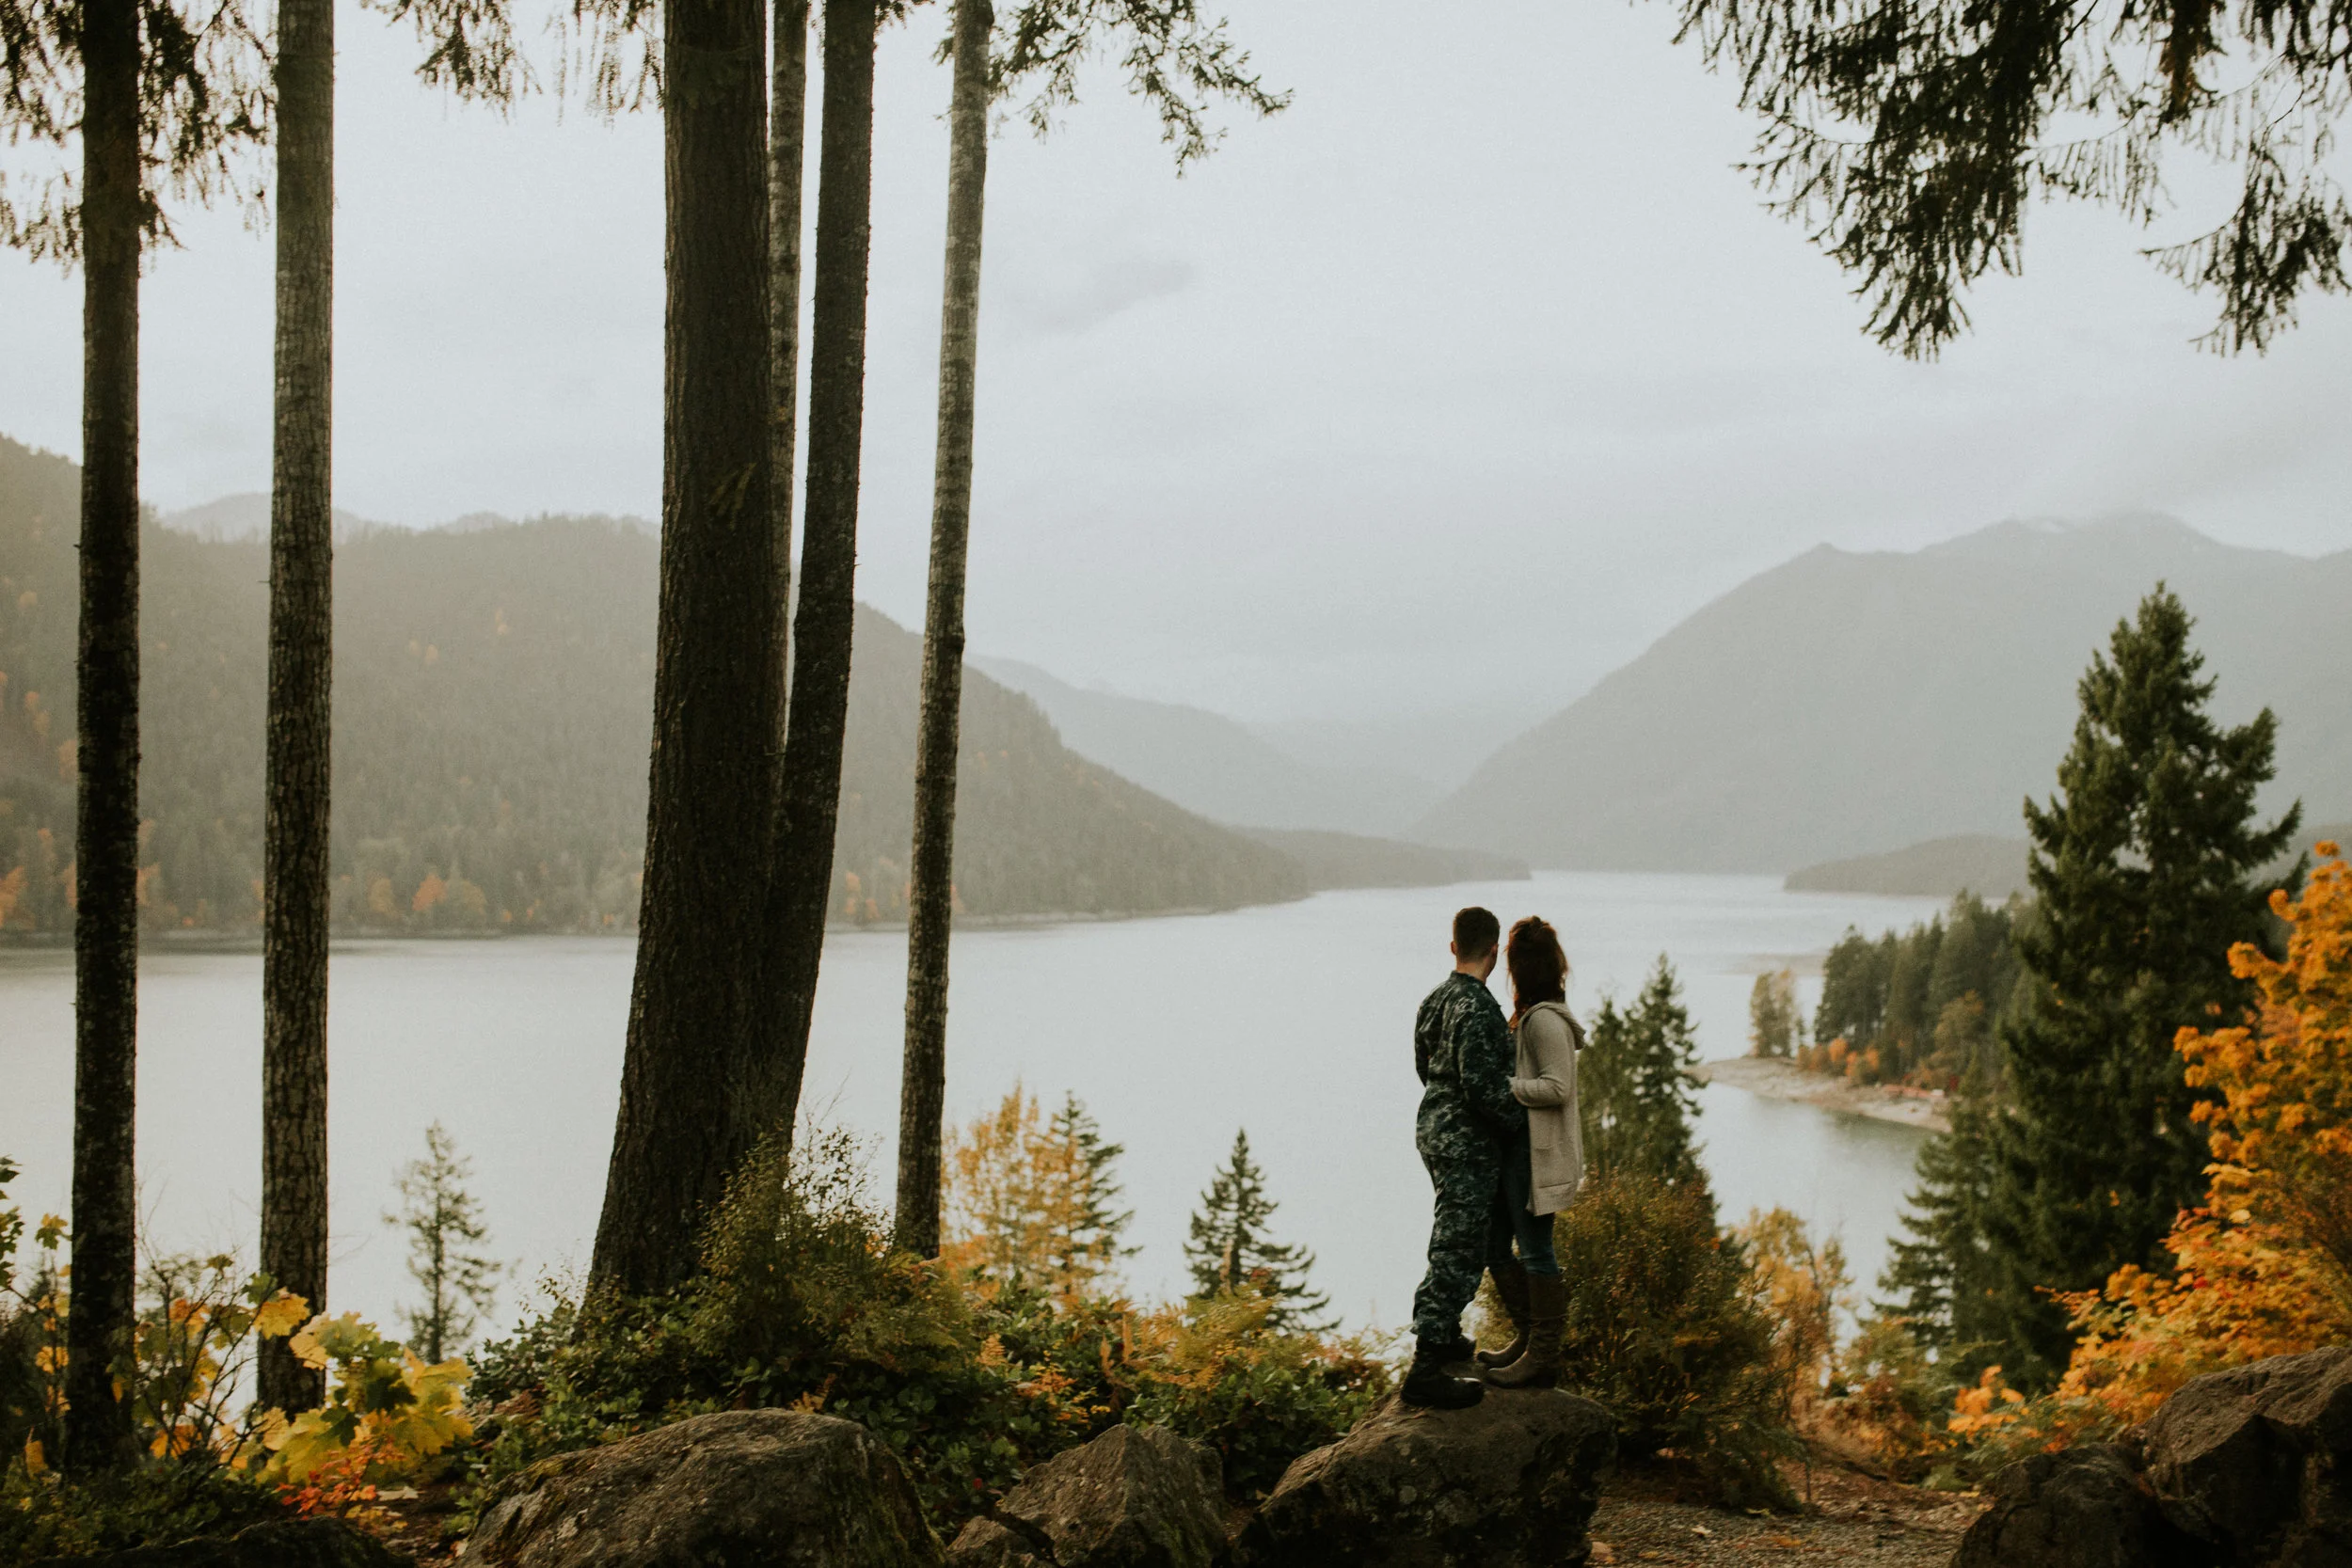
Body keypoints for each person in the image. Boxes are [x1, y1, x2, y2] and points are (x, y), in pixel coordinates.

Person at [1403, 906, 1527, 1409]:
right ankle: (1427, 1365)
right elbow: (1482, 1088)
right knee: (1459, 1247)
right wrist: (1522, 1123)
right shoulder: (1479, 1009)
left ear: (1454, 946)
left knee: (1452, 1231)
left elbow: (1423, 1065)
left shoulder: (1434, 1000)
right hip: (1467, 1143)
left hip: (1433, 1132)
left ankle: (1445, 1334)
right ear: (1493, 952)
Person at [1481, 915, 1582, 1389]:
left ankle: (1542, 1354)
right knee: (1494, 1244)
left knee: (1538, 1251)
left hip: (1534, 1155)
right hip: (1515, 1151)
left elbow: (1558, 1086)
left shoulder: (1543, 1020)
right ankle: (1527, 1338)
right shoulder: (1529, 1014)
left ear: (1520, 966)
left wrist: (1505, 1087)